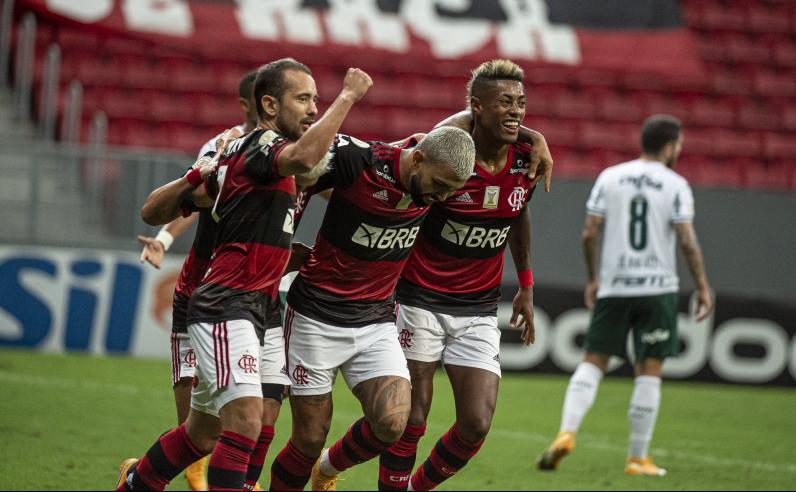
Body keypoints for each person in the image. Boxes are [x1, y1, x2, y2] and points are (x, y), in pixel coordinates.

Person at [116, 58, 373, 491]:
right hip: (225, 302)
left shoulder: (263, 158)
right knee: (245, 420)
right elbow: (155, 209)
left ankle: (134, 482)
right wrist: (347, 97)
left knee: (212, 431)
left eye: (317, 99)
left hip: (262, 305)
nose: (314, 108)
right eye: (303, 99)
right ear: (269, 106)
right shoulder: (261, 148)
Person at [268, 126, 476, 492]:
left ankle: (326, 469)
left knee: (392, 423)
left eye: (450, 190)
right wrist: (280, 243)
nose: (442, 197)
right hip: (314, 317)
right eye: (440, 185)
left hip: (375, 320)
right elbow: (299, 167)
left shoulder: (427, 169)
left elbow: (470, 119)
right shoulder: (358, 161)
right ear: (418, 158)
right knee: (308, 439)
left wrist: (533, 139)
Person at [377, 59, 539, 491]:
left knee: (476, 424)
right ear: (476, 107)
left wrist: (526, 285)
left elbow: (519, 216)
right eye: (505, 102)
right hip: (420, 298)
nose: (516, 111)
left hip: (479, 307)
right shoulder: (448, 157)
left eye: (521, 102)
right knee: (412, 416)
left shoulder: (527, 159)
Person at [537, 114, 714, 477]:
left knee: (592, 362)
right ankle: (637, 458)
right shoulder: (676, 184)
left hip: (615, 286)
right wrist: (702, 285)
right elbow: (686, 239)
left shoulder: (610, 177)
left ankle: (566, 432)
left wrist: (593, 278)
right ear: (670, 146)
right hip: (657, 288)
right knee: (649, 370)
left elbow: (589, 232)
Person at [136, 69, 259, 492]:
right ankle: (147, 474)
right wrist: (164, 238)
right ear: (254, 104)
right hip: (202, 290)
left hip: (250, 296)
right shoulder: (222, 147)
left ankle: (236, 480)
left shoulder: (292, 154)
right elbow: (192, 202)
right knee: (193, 426)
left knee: (255, 411)